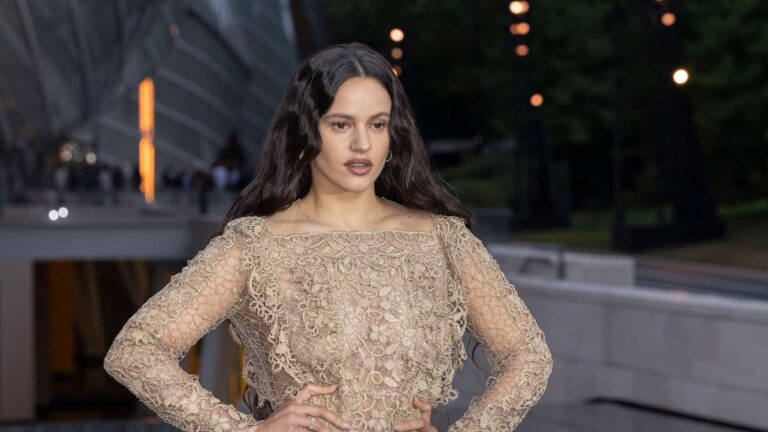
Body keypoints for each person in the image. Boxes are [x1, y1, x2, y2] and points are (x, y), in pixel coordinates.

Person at [103, 42, 553, 432]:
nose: (362, 145)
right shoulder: (257, 245)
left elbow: (528, 355)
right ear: (306, 132)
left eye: (377, 124)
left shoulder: (441, 240)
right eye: (341, 124)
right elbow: (135, 350)